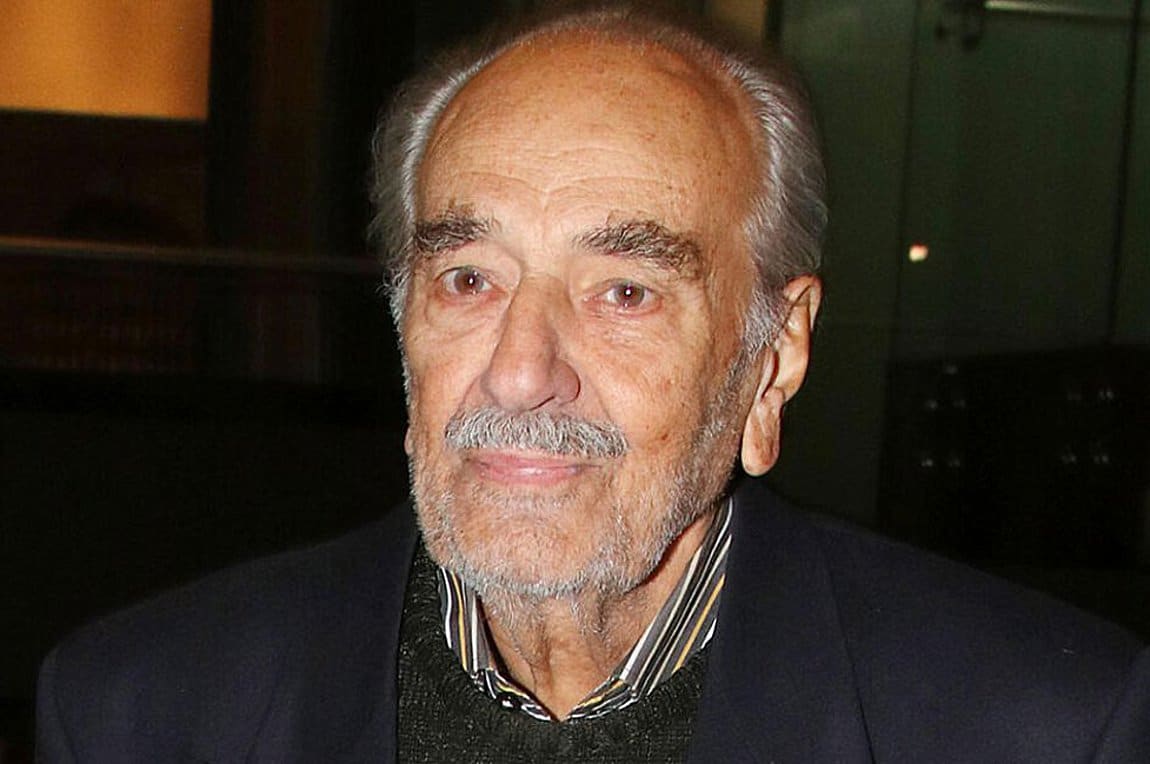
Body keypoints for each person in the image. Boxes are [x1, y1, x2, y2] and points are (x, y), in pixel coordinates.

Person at [36, 4, 1149, 762]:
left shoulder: (1043, 727)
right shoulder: (142, 709)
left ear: (773, 357)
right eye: (469, 278)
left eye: (625, 290)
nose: (520, 371)